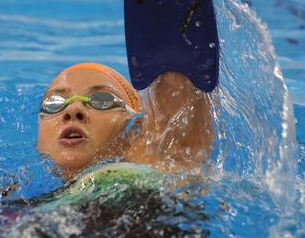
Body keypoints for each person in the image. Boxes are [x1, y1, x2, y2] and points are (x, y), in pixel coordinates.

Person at [37, 62, 213, 180]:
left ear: (136, 130)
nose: (72, 110)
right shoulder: (17, 197)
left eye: (102, 100)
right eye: (54, 103)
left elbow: (179, 78)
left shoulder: (147, 173)